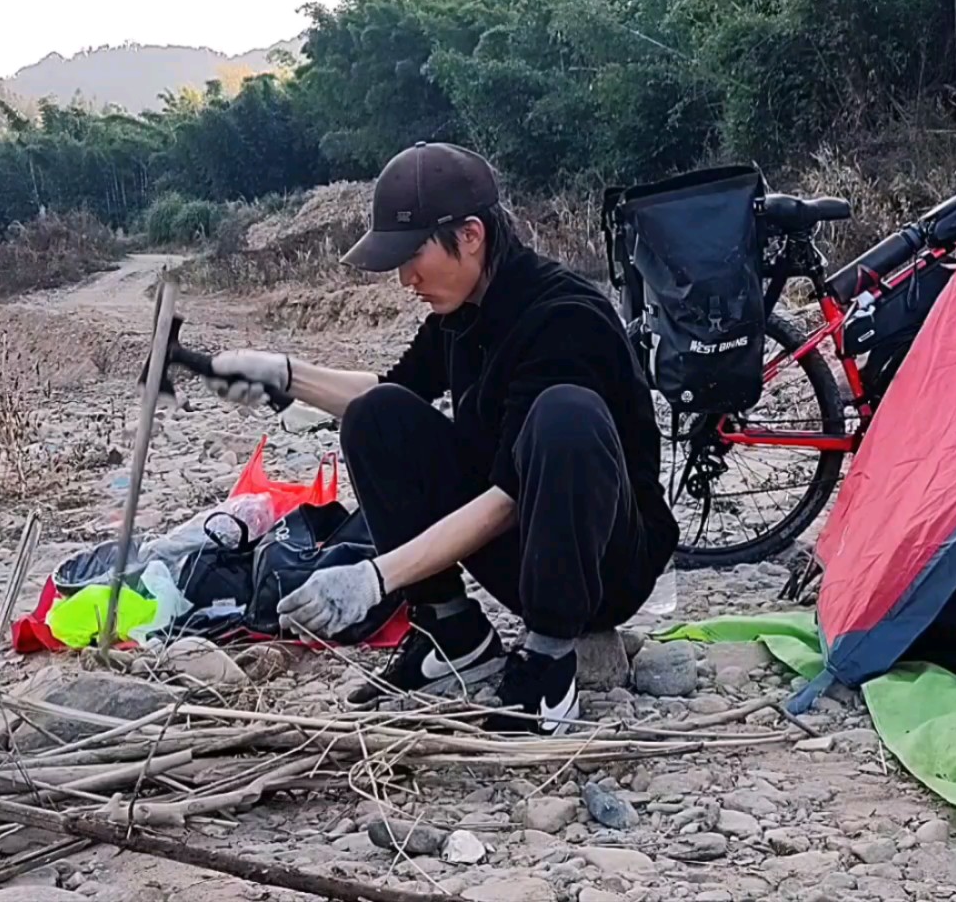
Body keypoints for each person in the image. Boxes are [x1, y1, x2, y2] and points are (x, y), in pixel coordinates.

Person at [204, 141, 678, 734]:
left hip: (603, 564)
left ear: (472, 234)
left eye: (412, 256)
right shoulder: (460, 314)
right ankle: (453, 636)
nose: (406, 279)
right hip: (522, 548)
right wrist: (283, 374)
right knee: (377, 414)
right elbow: (389, 390)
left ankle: (550, 664)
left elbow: (511, 494)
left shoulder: (565, 317)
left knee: (565, 415)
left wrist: (375, 577)